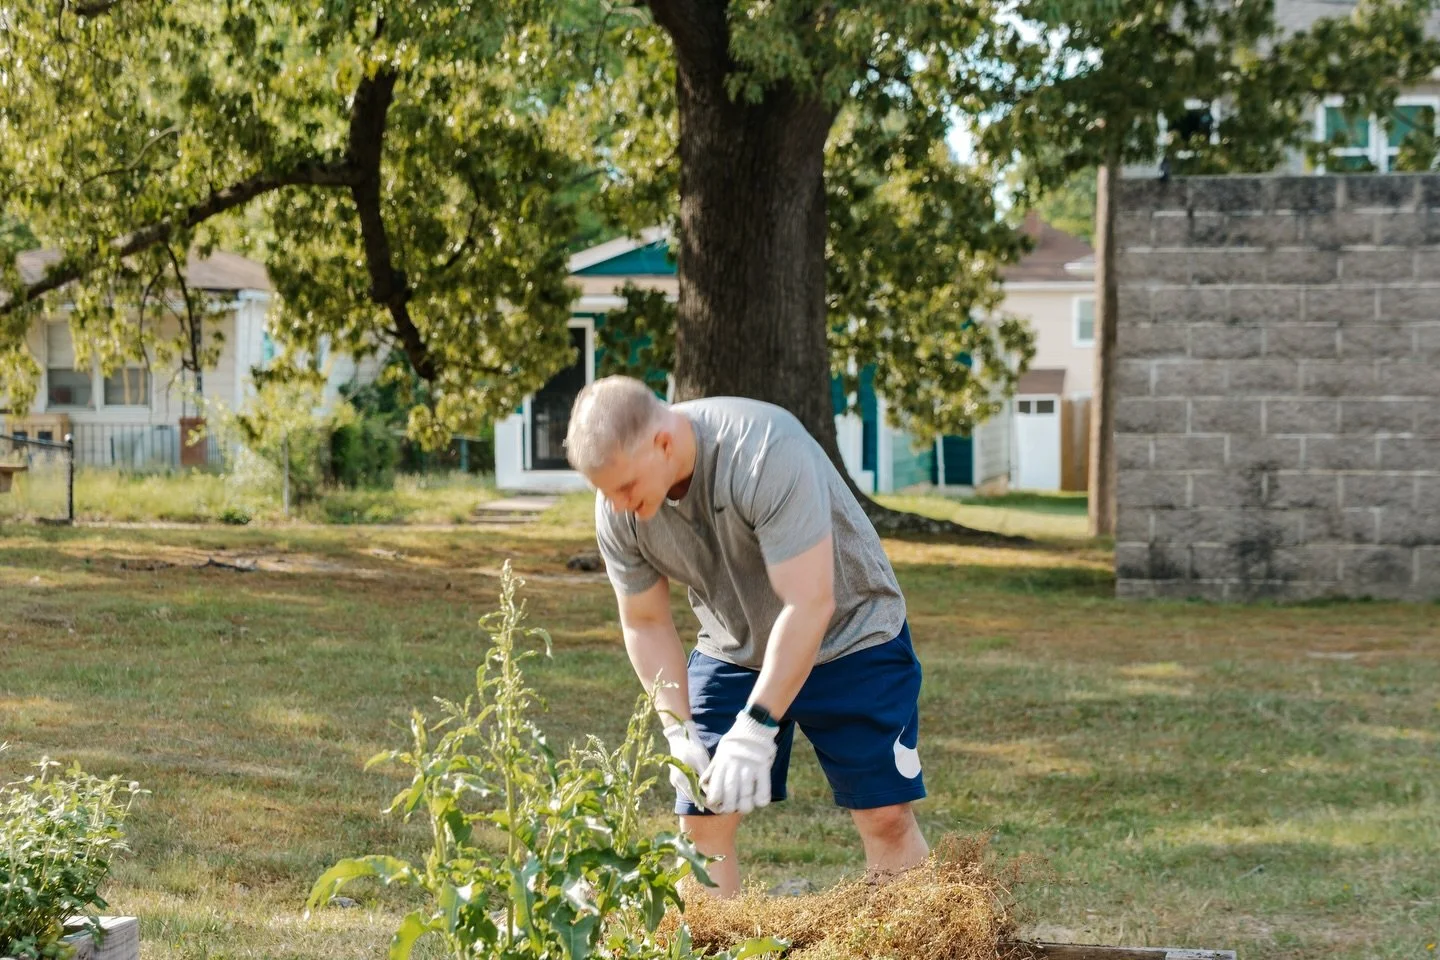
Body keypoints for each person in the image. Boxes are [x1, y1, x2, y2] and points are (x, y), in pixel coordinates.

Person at [564, 376, 927, 898]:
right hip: (734, 646)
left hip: (852, 634)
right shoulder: (618, 508)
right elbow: (644, 621)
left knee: (885, 814)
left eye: (623, 487)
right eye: (604, 493)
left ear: (663, 442)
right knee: (702, 822)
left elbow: (810, 604)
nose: (617, 505)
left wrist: (757, 725)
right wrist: (677, 730)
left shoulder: (764, 450)